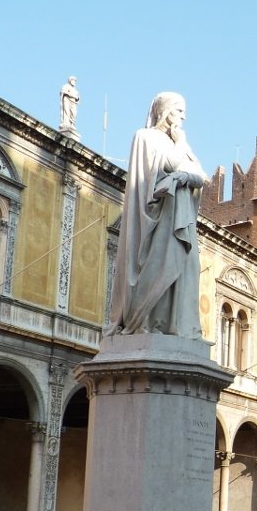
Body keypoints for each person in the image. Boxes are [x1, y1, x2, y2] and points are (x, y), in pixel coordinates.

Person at [107, 92, 206, 338]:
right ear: (165, 110)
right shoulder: (145, 137)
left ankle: (175, 326)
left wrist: (184, 175)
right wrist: (180, 149)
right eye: (179, 110)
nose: (183, 117)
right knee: (159, 265)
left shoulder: (178, 142)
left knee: (186, 267)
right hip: (159, 218)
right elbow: (170, 164)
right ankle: (149, 322)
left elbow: (201, 175)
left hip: (181, 216)